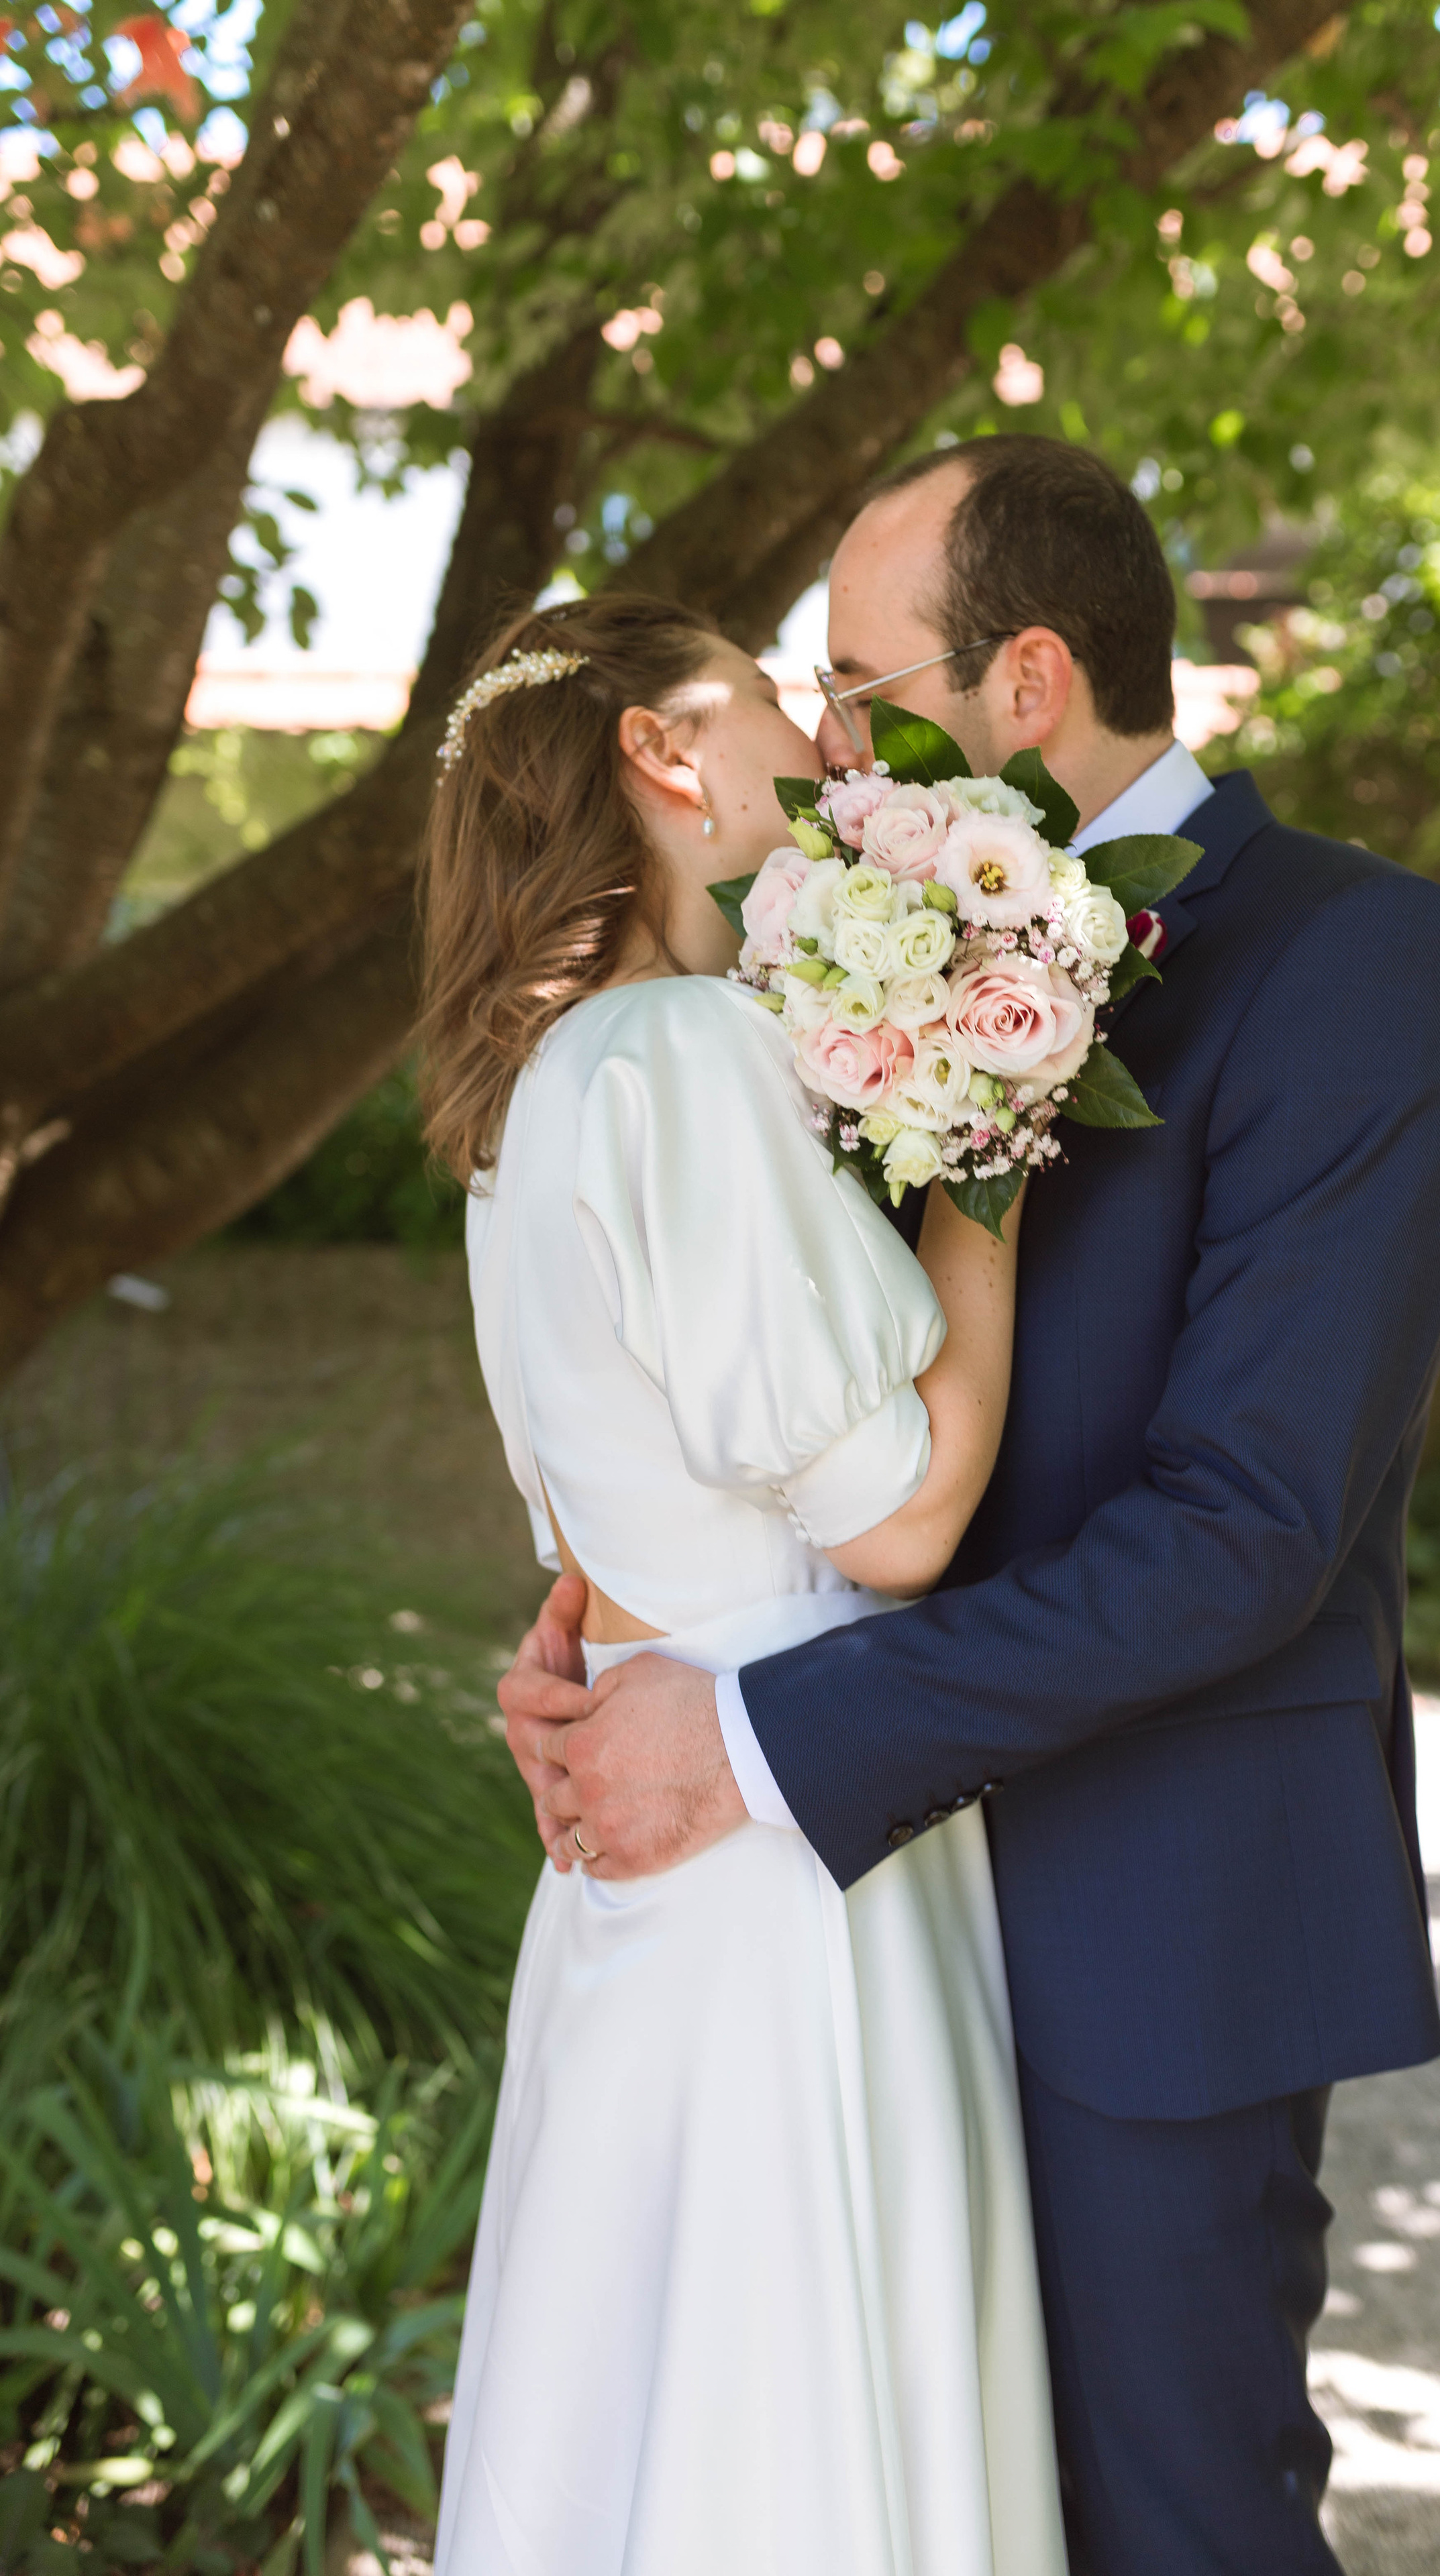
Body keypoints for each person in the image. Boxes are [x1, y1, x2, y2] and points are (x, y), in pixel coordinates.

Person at [501, 437, 1440, 2573]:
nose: (837, 739)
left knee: (1173, 2527)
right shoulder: (812, 951)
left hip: (1150, 1924)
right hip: (842, 1949)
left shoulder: (1361, 962)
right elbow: (755, 1375)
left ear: (1029, 678)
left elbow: (1248, 1528)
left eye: (866, 685)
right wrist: (611, 1637)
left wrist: (752, 1743)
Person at [417, 589, 1068, 2576]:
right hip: (782, 1858)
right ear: (662, 754)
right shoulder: (678, 1051)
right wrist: (989, 1145)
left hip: (644, 1846)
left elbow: (597, 1541)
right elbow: (900, 1524)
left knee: (647, 2425)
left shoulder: (523, 1097)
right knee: (792, 2440)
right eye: (783, 703)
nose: (826, 739)